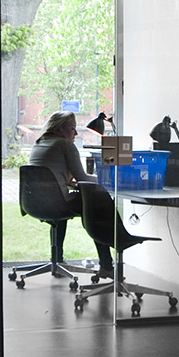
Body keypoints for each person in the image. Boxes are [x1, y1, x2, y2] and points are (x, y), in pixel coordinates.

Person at [27, 111, 113, 274]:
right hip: (57, 203)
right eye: (72, 128)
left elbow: (51, 175)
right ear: (59, 129)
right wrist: (108, 180)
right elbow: (82, 178)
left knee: (64, 205)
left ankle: (57, 258)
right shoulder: (64, 145)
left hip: (34, 203)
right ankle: (107, 265)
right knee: (97, 202)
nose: (76, 133)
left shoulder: (39, 143)